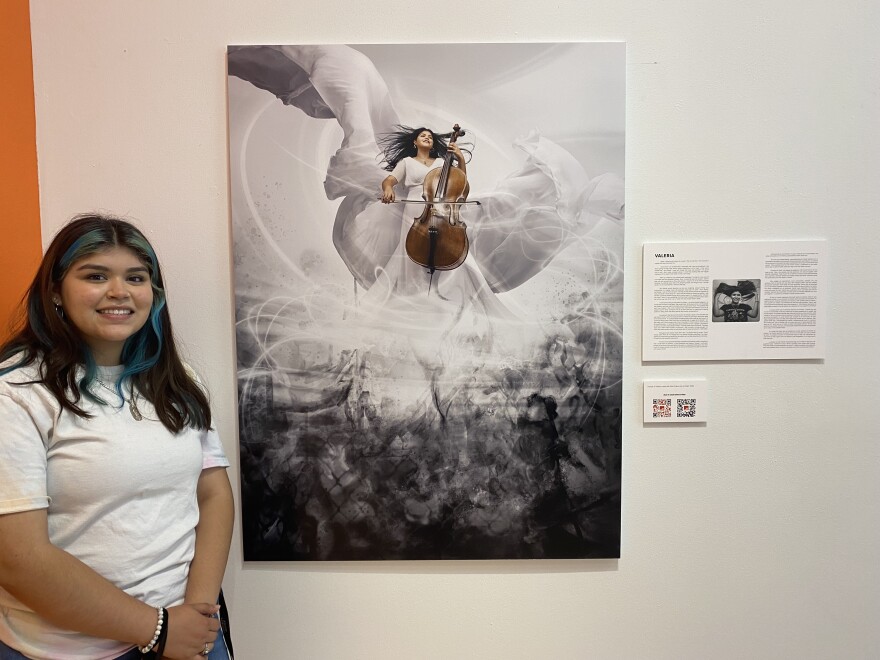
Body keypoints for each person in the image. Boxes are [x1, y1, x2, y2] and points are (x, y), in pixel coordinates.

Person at [0, 214, 234, 659]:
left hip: (186, 634)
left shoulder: (180, 384)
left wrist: (197, 615)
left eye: (135, 277)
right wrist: (157, 629)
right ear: (55, 291)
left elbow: (213, 495)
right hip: (62, 650)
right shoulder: (16, 393)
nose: (119, 292)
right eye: (95, 276)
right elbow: (17, 557)